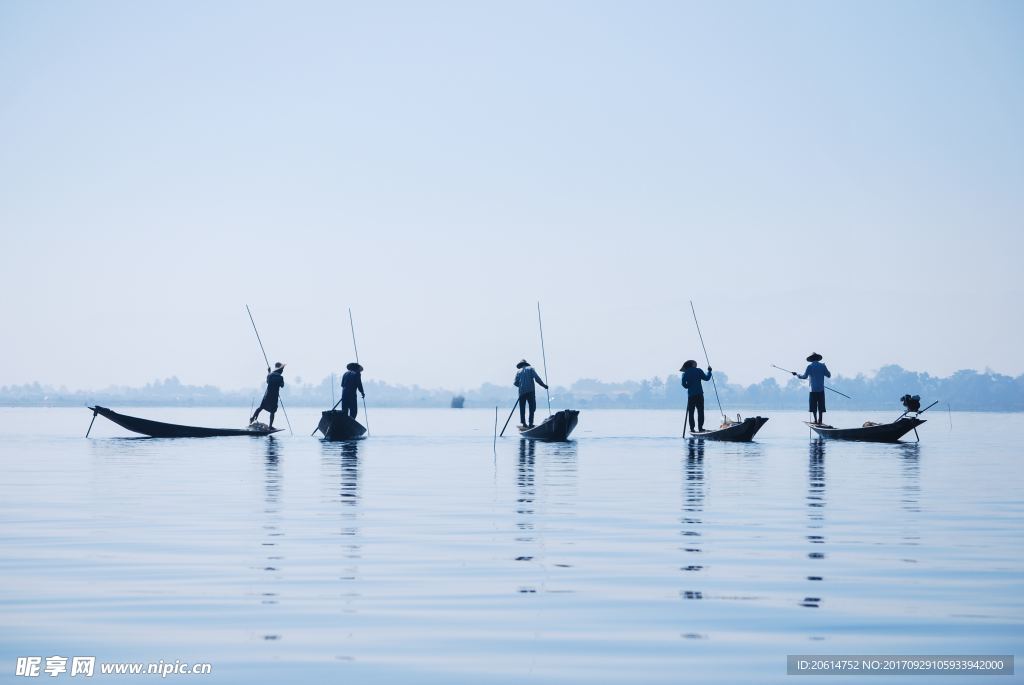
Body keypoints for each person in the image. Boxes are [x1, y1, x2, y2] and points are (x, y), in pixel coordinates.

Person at [794, 352, 831, 424]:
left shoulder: (809, 367)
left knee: (813, 406)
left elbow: (804, 377)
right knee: (821, 406)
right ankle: (820, 420)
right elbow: (829, 375)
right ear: (817, 359)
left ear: (811, 359)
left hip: (813, 390)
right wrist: (825, 368)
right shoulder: (822, 366)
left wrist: (797, 375)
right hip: (821, 389)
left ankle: (815, 420)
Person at [514, 359, 548, 428]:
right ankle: (530, 423)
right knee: (532, 408)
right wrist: (544, 385)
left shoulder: (518, 372)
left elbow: (515, 383)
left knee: (522, 408)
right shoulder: (531, 369)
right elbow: (537, 379)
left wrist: (521, 385)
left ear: (521, 365)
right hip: (530, 391)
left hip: (521, 392)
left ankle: (523, 423)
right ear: (526, 364)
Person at [680, 360, 712, 432]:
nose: (696, 364)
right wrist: (709, 371)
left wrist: (688, 386)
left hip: (691, 395)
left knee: (691, 412)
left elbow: (684, 384)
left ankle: (692, 429)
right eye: (695, 363)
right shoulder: (698, 370)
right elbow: (707, 378)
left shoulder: (685, 373)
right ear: (692, 364)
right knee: (700, 411)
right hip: (699, 394)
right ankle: (700, 428)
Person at [251, 362, 285, 428]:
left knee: (261, 407)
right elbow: (282, 385)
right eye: (282, 369)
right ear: (279, 370)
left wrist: (269, 372)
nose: (282, 370)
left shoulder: (270, 375)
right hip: (274, 396)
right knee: (272, 411)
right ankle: (270, 426)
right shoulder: (280, 377)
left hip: (267, 395)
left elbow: (267, 381)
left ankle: (252, 418)